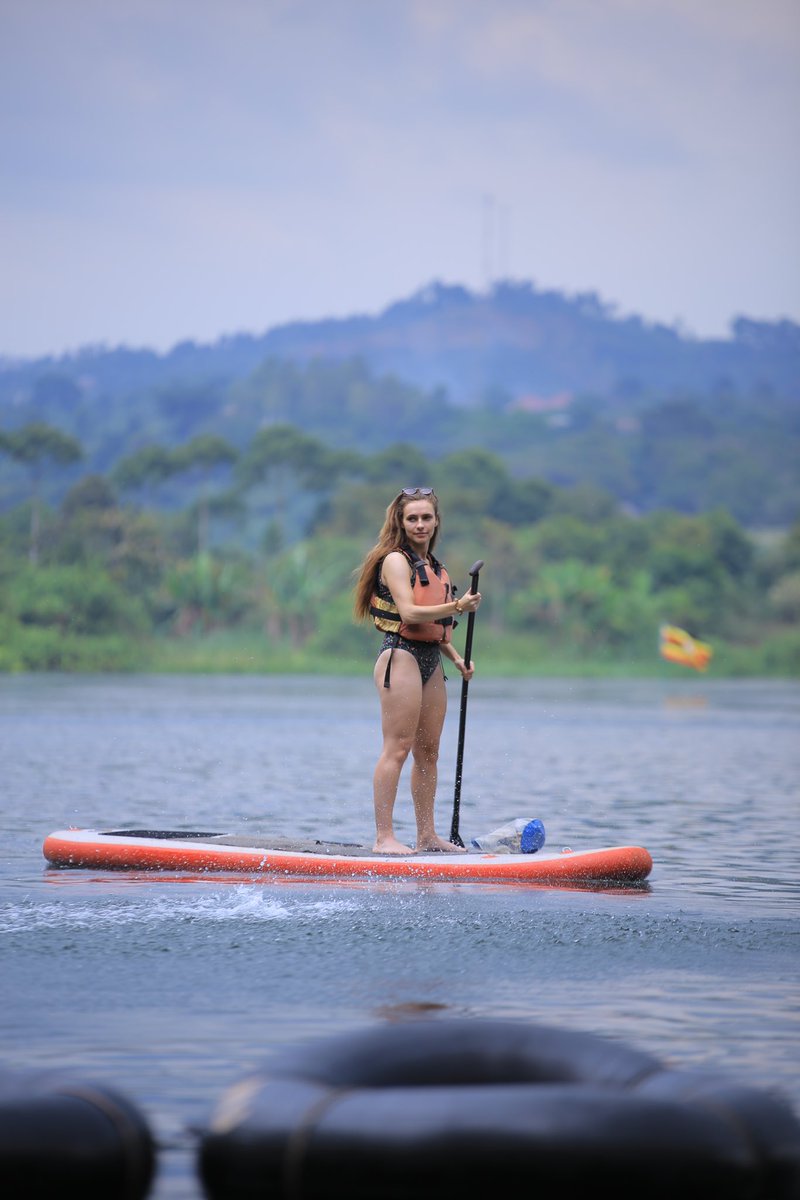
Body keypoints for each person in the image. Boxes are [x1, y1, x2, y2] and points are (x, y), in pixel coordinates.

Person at [353, 487, 482, 854]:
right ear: (401, 522)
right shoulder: (395, 561)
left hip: (431, 659)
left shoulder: (436, 568)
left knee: (429, 752)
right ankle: (384, 838)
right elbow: (409, 615)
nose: (420, 524)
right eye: (412, 518)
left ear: (436, 521)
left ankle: (427, 835)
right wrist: (458, 605)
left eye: (426, 517)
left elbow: (433, 627)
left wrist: (457, 659)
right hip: (401, 656)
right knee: (398, 747)